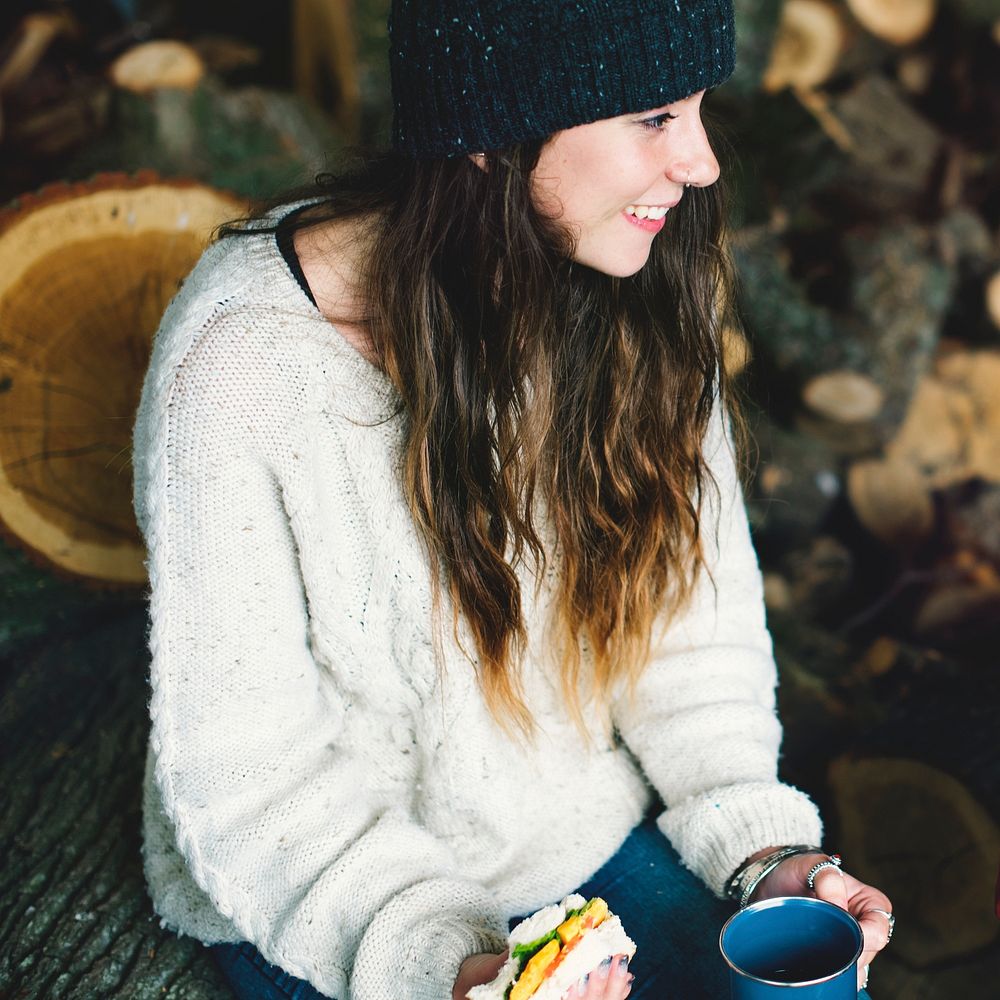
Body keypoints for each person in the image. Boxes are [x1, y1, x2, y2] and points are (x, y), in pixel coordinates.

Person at [131, 2, 894, 998]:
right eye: (654, 119)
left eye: (698, 111)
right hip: (337, 896)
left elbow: (689, 636)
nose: (701, 162)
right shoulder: (238, 370)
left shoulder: (641, 283)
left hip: (579, 838)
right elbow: (255, 778)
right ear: (493, 133)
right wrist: (460, 970)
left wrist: (763, 853)